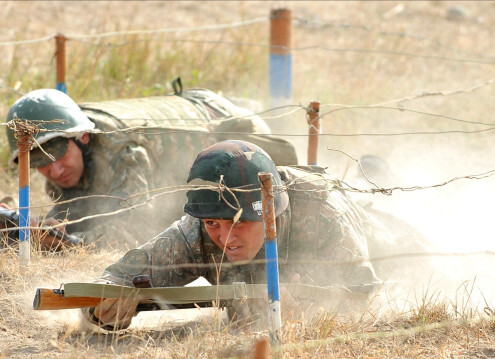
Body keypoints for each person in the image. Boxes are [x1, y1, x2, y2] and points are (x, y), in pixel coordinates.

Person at [81, 140, 383, 331]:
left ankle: (372, 172)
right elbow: (120, 277)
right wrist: (101, 311)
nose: (225, 238)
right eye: (214, 223)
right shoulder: (197, 228)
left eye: (239, 223)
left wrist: (316, 307)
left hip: (370, 224)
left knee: (380, 203)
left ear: (270, 213)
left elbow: (364, 296)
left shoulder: (323, 212)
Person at [4, 88, 298, 249]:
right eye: (40, 163)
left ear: (82, 137)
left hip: (232, 123)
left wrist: (71, 243)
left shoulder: (122, 148)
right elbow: (81, 212)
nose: (54, 171)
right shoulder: (67, 149)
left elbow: (134, 230)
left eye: (59, 156)